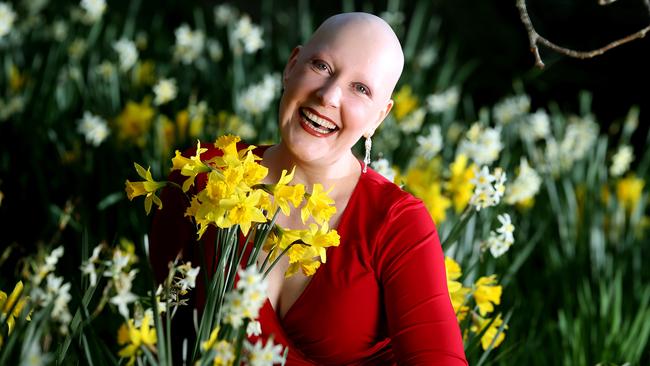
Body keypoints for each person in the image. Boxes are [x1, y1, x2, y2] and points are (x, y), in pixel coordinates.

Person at [150, 12, 468, 365]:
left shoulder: (396, 224)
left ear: (378, 117)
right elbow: (166, 329)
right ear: (291, 66)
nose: (329, 96)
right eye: (322, 66)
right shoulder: (205, 173)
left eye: (360, 89)